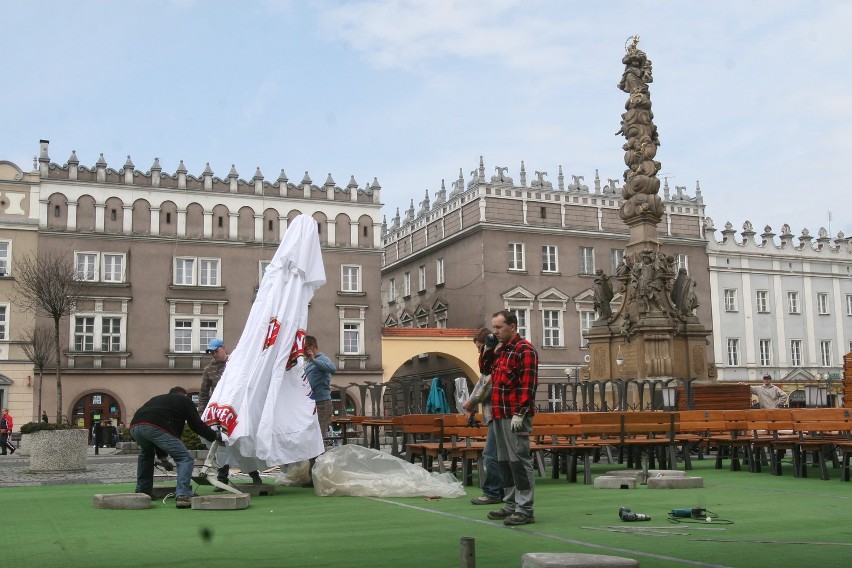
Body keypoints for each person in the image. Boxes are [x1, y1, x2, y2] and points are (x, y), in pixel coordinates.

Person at [486, 310, 539, 526]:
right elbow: (484, 370)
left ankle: (525, 508)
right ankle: (510, 505)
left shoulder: (524, 350)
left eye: (499, 327)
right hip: (499, 413)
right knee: (504, 462)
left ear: (513, 326)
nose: (495, 331)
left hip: (515, 415)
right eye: (494, 327)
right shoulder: (500, 351)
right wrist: (488, 349)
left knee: (519, 461)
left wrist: (521, 411)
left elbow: (528, 384)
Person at [130, 386, 223, 508]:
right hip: (155, 425)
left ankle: (143, 491)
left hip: (135, 427)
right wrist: (214, 436)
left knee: (146, 454)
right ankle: (183, 495)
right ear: (184, 395)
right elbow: (196, 425)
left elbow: (161, 437)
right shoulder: (185, 401)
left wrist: (163, 459)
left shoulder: (158, 399)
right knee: (185, 458)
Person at [198, 338, 262, 487]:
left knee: (240, 442)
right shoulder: (209, 369)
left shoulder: (236, 364)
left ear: (223, 348)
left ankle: (255, 475)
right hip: (220, 412)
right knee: (221, 445)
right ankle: (222, 479)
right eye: (211, 352)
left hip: (237, 410)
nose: (214, 354)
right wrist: (202, 413)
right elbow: (203, 393)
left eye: (216, 351)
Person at [463, 327, 502, 505]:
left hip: (499, 413)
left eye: (481, 348)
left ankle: (493, 492)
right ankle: (503, 492)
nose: (479, 352)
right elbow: (482, 381)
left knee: (490, 455)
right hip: (494, 413)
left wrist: (469, 405)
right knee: (498, 455)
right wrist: (469, 405)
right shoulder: (489, 359)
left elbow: (488, 385)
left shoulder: (496, 357)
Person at [304, 335, 337, 445]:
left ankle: (319, 461)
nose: (303, 352)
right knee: (311, 437)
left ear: (311, 347)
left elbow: (332, 368)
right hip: (312, 403)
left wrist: (314, 360)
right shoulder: (308, 363)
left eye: (304, 348)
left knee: (318, 437)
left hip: (322, 402)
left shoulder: (322, 359)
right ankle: (314, 461)